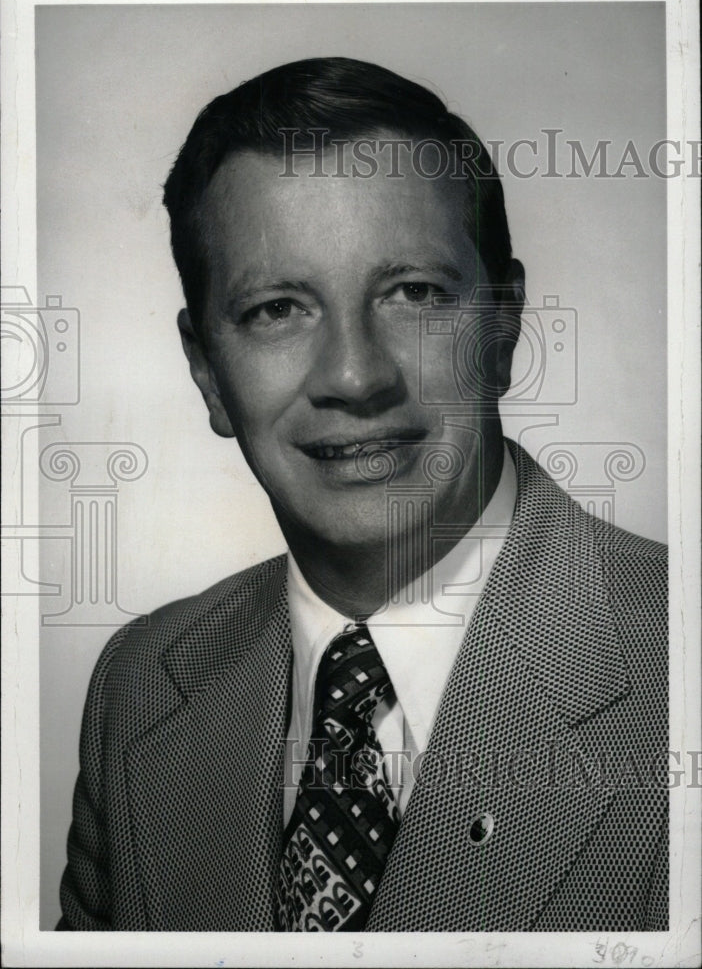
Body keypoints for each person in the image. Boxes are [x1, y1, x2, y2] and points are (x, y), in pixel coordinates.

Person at [58, 57, 667, 932]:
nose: (354, 374)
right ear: (208, 374)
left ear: (503, 329)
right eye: (277, 309)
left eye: (413, 293)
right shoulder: (138, 688)